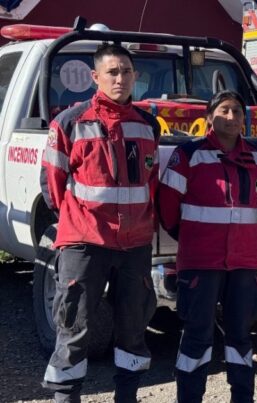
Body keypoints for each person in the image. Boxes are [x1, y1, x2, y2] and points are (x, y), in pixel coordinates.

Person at [40, 44, 160, 403]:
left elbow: (149, 184)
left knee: (133, 330)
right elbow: (52, 185)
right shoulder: (69, 122)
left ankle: (127, 397)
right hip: (84, 243)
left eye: (126, 71)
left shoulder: (147, 125)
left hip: (134, 245)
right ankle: (65, 398)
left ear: (135, 75)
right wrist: (78, 225)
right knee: (74, 328)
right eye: (112, 72)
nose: (120, 78)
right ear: (95, 77)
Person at [157, 90, 257, 403]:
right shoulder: (190, 155)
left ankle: (243, 397)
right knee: (197, 336)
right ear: (209, 117)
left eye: (237, 111)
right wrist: (193, 237)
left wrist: (241, 235)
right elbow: (168, 205)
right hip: (201, 261)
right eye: (224, 110)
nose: (232, 117)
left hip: (243, 263)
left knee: (240, 336)